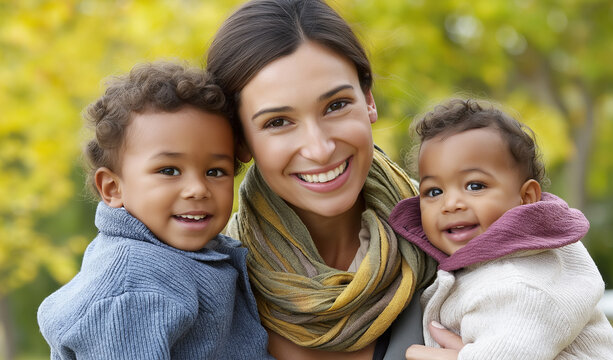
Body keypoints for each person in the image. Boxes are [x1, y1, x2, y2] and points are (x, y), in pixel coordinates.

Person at [205, 0, 460, 359]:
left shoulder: (470, 232)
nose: (320, 149)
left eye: (336, 105)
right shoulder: (212, 283)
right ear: (242, 141)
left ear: (368, 99)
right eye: (278, 122)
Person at [37, 62, 273, 360]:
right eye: (169, 170)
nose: (197, 189)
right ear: (113, 188)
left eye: (215, 171)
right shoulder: (133, 288)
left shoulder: (196, 252)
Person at [389, 98, 613, 359]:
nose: (451, 204)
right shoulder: (483, 264)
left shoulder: (523, 282)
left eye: (475, 186)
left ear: (526, 198)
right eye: (434, 191)